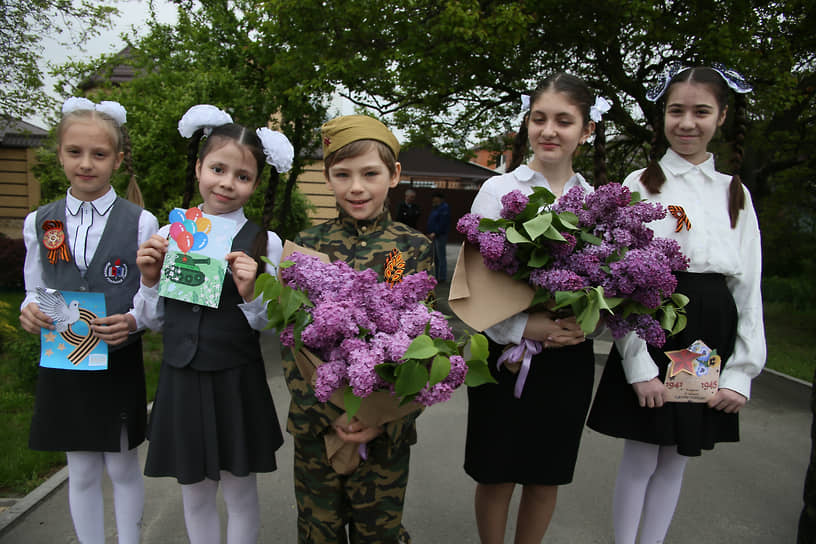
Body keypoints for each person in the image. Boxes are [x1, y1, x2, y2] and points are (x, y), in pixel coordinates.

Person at [586, 64, 765, 544]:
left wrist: (741, 372)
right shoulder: (639, 184)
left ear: (722, 117)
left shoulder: (735, 192)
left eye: (701, 112)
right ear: (662, 116)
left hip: (706, 330)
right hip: (656, 320)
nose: (687, 123)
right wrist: (638, 366)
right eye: (676, 111)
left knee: (676, 454)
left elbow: (749, 288)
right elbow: (619, 282)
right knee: (643, 451)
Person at [133, 105, 291, 544]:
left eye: (242, 176)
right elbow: (151, 321)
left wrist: (253, 292)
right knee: (195, 494)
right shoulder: (172, 232)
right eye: (218, 169)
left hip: (235, 378)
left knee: (240, 491)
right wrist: (148, 281)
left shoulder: (266, 242)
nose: (226, 183)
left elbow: (271, 325)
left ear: (256, 184)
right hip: (181, 376)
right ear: (200, 167)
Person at [463, 73, 609, 544]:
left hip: (567, 360)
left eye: (564, 121)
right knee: (496, 473)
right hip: (504, 353)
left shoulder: (595, 203)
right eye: (539, 118)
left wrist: (589, 324)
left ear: (586, 130)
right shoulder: (498, 191)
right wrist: (526, 325)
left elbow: (615, 282)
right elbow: (474, 283)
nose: (549, 130)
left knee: (546, 476)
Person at [282, 114, 433, 543]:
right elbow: (292, 339)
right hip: (318, 429)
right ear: (327, 176)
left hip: (384, 430)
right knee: (318, 531)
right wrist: (331, 414)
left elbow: (420, 340)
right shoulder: (307, 245)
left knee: (377, 533)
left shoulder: (407, 250)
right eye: (342, 174)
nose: (356, 187)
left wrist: (383, 418)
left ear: (394, 175)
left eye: (370, 173)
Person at [19, 97, 157, 544]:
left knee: (120, 465)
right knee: (79, 468)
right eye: (75, 152)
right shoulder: (40, 222)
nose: (86, 164)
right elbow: (35, 285)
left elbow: (149, 295)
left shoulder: (140, 222)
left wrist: (134, 321)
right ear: (59, 154)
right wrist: (30, 310)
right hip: (65, 361)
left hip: (115, 360)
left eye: (98, 154)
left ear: (116, 160)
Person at [426, 191, 450, 282]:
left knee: (440, 256)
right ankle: (437, 275)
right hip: (433, 234)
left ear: (440, 199)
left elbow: (443, 223)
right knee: (436, 257)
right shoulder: (436, 208)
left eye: (436, 198)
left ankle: (442, 277)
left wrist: (435, 232)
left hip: (439, 235)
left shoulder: (444, 208)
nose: (434, 200)